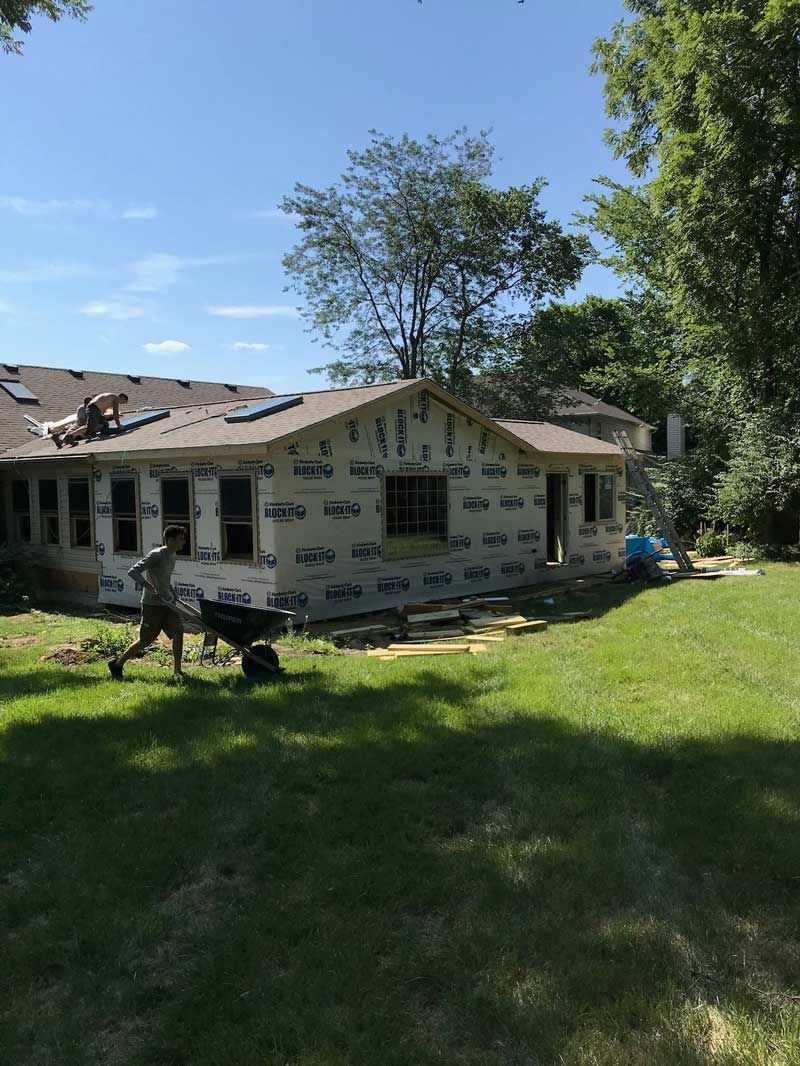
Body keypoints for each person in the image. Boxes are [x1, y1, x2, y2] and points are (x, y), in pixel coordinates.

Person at [108, 525, 187, 680]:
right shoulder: (156, 555)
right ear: (170, 540)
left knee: (179, 632)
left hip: (167, 603)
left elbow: (164, 578)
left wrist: (173, 592)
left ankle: (177, 671)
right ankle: (117, 664)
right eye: (181, 539)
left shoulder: (173, 555)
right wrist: (149, 587)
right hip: (152, 605)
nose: (183, 542)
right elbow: (133, 571)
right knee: (146, 640)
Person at [63, 391, 129, 444]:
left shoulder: (110, 396)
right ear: (122, 397)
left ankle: (89, 434)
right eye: (124, 401)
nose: (123, 403)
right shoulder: (115, 398)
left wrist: (101, 417)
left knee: (105, 424)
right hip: (93, 408)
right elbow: (115, 413)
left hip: (95, 409)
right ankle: (70, 436)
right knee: (90, 427)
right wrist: (119, 425)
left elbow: (101, 405)